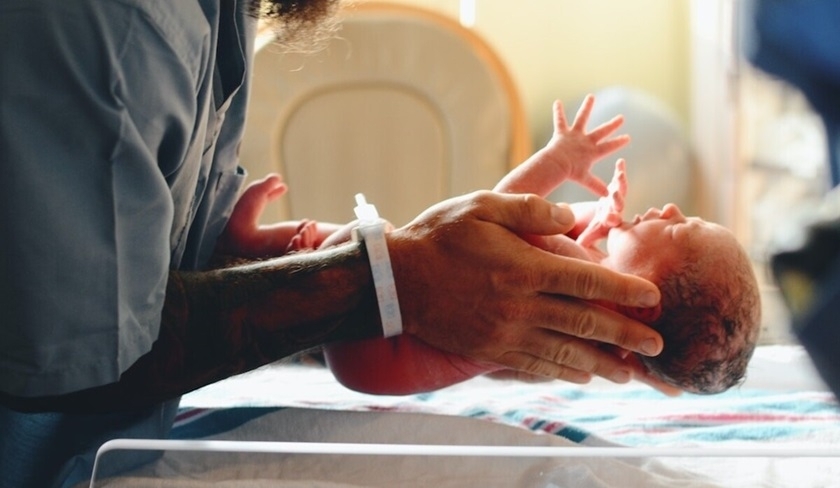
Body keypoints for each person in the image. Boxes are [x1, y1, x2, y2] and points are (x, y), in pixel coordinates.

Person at [0, 2, 665, 487]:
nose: (666, 211)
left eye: (682, 231)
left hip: (108, 443)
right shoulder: (113, 29)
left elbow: (122, 269)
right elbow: (90, 348)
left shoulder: (214, 20)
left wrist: (237, 262)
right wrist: (384, 275)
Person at [318, 99, 762, 396]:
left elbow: (495, 219)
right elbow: (664, 377)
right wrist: (598, 224)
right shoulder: (604, 334)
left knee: (352, 239)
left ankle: (277, 244)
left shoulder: (579, 285)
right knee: (350, 241)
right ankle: (273, 242)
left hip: (379, 341)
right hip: (376, 361)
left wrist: (559, 161)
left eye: (677, 230)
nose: (670, 208)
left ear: (645, 302)